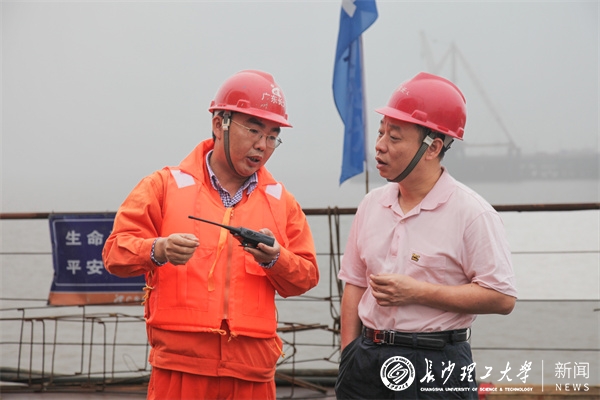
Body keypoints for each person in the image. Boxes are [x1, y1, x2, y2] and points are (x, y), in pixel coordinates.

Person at [102, 69, 319, 400]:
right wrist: (158, 249)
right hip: (180, 368)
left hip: (253, 372)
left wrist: (276, 258)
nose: (262, 145)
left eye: (273, 136)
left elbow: (306, 276)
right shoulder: (162, 186)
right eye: (254, 130)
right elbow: (115, 253)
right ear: (220, 124)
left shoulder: (282, 202)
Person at [335, 72, 517, 399]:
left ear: (432, 148)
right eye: (381, 132)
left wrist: (419, 292)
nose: (380, 145)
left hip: (437, 362)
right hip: (366, 360)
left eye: (395, 137)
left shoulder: (472, 213)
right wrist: (348, 355)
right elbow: (355, 283)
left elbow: (502, 298)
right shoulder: (371, 205)